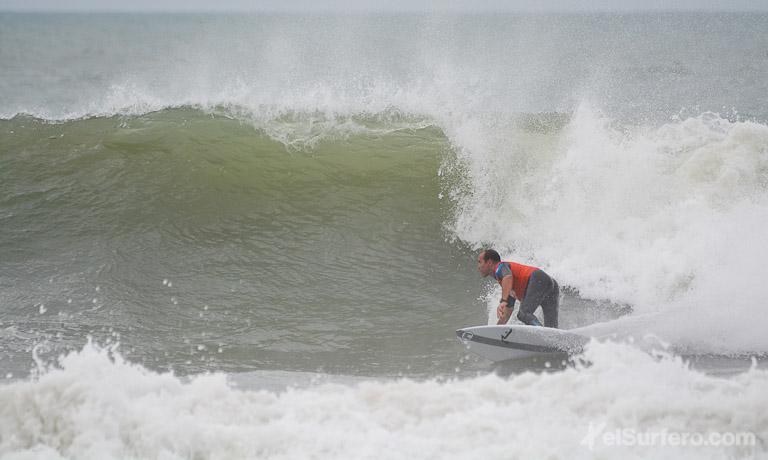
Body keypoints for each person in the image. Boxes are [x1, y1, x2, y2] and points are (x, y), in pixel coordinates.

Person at [476, 249, 559, 328]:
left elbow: (507, 276)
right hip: (550, 284)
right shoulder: (508, 286)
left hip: (538, 279)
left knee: (523, 314)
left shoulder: (500, 267)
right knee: (551, 328)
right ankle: (553, 340)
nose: (478, 266)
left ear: (489, 262)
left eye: (480, 262)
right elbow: (507, 311)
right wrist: (496, 331)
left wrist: (503, 301)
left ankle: (543, 334)